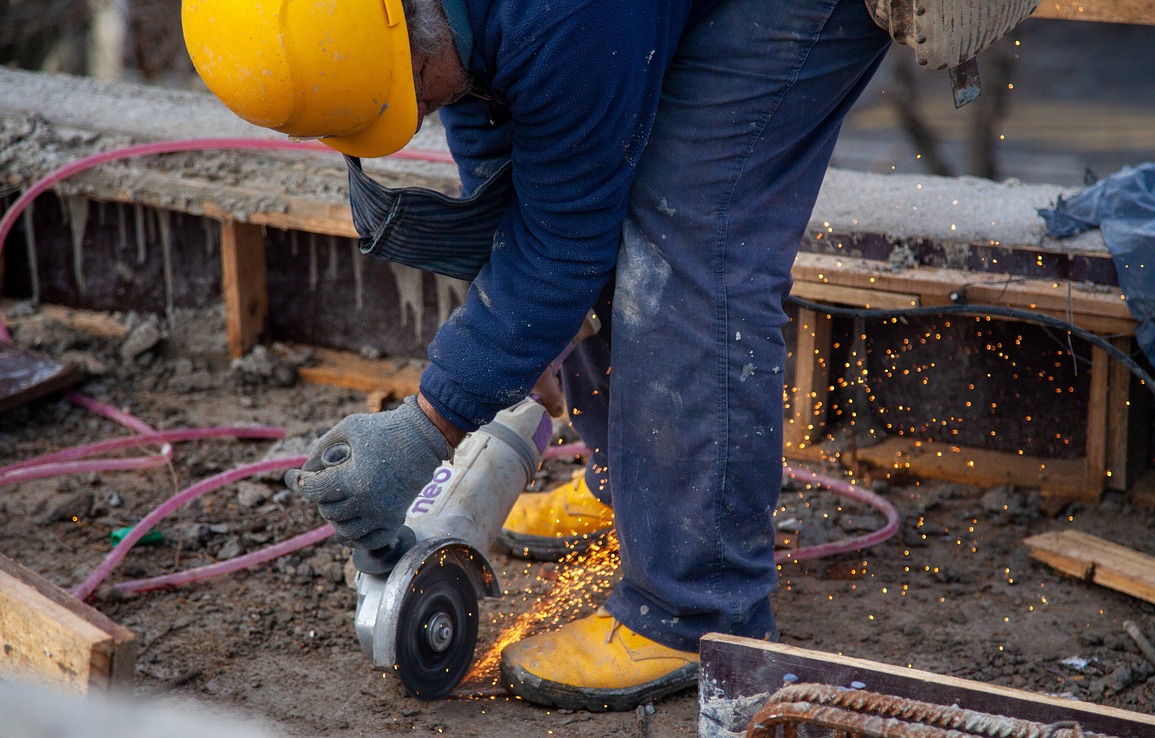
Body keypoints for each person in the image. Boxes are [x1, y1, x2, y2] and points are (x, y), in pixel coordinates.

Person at [183, 0, 892, 711]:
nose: (424, 107)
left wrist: (428, 427)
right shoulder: (437, 26)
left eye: (418, 86)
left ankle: (696, 610)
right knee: (586, 196)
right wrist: (521, 338)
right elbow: (507, 148)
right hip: (593, 25)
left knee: (689, 236)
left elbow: (563, 242)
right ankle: (646, 493)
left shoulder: (562, 15)